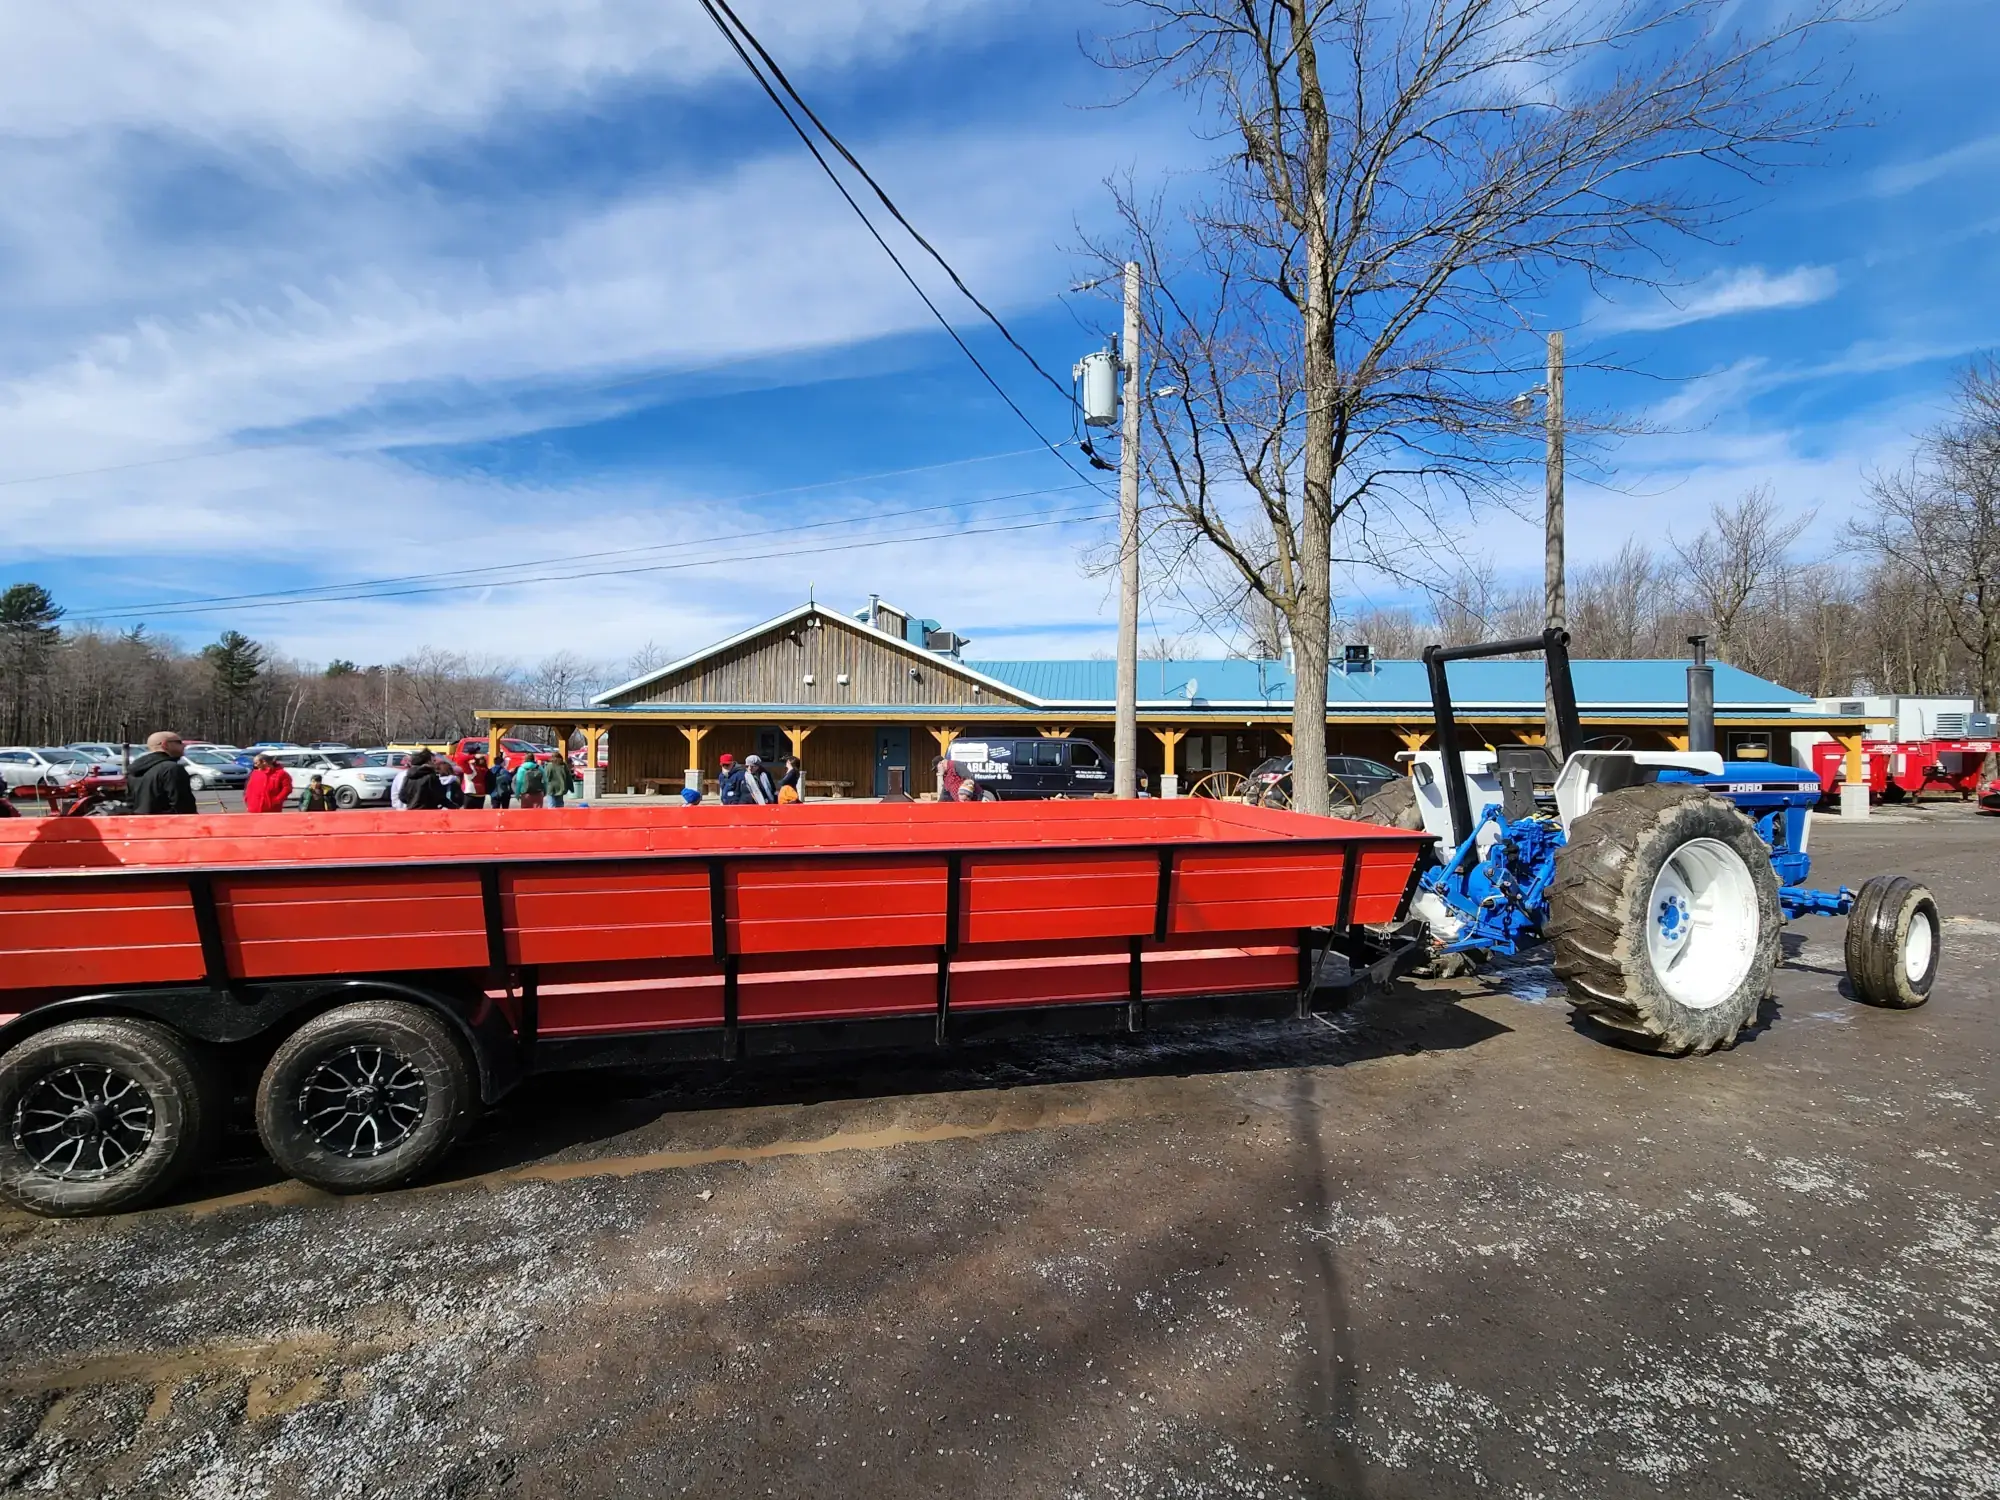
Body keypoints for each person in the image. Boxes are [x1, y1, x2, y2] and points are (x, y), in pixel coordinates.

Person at [126, 731, 198, 815]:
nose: (184, 746)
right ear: (165, 745)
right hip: (169, 824)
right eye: (179, 742)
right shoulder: (171, 769)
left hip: (142, 823)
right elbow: (183, 805)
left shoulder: (134, 770)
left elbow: (130, 802)